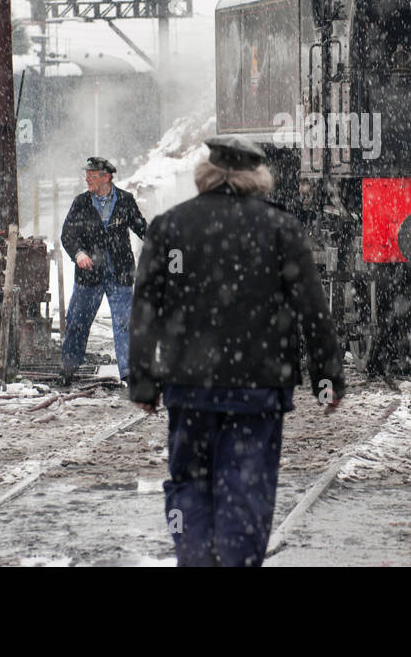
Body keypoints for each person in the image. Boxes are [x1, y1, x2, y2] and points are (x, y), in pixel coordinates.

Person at [128, 135, 345, 567]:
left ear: (206, 173)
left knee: (188, 482)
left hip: (189, 387)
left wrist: (144, 381)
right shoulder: (281, 228)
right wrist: (327, 377)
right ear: (257, 177)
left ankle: (193, 556)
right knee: (246, 488)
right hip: (257, 389)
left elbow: (145, 309)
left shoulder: (170, 226)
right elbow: (313, 310)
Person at [60, 156, 148, 385]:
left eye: (92, 175)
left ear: (106, 177)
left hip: (119, 274)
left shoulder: (125, 201)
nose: (87, 179)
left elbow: (142, 228)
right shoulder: (81, 203)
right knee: (78, 321)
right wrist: (79, 253)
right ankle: (68, 368)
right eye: (86, 175)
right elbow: (67, 235)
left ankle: (128, 372)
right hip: (89, 276)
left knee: (124, 322)